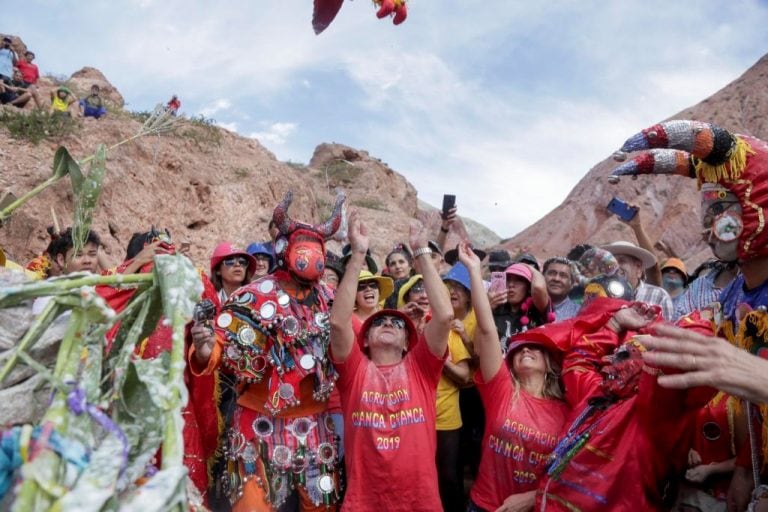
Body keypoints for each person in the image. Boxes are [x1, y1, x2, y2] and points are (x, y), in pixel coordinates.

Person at [611, 119, 768, 509]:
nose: (709, 227)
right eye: (707, 209)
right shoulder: (733, 294)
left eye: (722, 208)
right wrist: (747, 473)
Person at [190, 192, 346, 511]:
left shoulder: (332, 299)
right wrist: (206, 350)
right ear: (283, 248)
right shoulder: (254, 295)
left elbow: (350, 349)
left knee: (322, 507)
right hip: (257, 422)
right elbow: (217, 345)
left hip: (316, 422)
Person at [534, 299, 714, 511]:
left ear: (647, 368)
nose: (609, 359)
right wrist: (616, 324)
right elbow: (579, 360)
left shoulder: (653, 414)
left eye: (623, 355)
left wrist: (694, 323)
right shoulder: (597, 394)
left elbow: (693, 352)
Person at [329, 209, 452, 511]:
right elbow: (338, 323)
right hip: (364, 502)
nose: (388, 324)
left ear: (410, 342)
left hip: (419, 502)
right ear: (365, 340)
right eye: (379, 323)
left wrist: (422, 252)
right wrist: (358, 254)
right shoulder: (355, 370)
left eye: (398, 324)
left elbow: (445, 315)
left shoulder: (422, 368)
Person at [457, 241, 567, 512]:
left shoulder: (567, 406)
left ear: (550, 360)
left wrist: (535, 496)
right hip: (484, 504)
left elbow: (572, 467)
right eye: (518, 348)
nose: (525, 347)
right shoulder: (502, 388)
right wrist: (473, 269)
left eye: (535, 346)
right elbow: (484, 330)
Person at [438, 262, 474, 512]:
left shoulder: (467, 323)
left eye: (458, 287)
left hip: (459, 405)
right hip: (421, 413)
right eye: (448, 286)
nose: (452, 291)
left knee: (451, 472)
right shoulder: (425, 325)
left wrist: (442, 357)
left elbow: (466, 373)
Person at [601, 240, 674, 321]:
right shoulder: (600, 296)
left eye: (621, 261)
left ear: (638, 268)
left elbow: (669, 330)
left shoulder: (659, 296)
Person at [490, 262, 552, 353]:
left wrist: (526, 266)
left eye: (518, 280)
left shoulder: (537, 310)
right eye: (507, 280)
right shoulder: (495, 310)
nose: (511, 285)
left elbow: (538, 287)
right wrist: (487, 309)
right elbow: (479, 348)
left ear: (528, 287)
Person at [543, 257, 579, 321]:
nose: (556, 279)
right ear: (542, 276)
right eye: (552, 273)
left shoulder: (578, 313)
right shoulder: (527, 307)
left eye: (563, 276)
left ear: (572, 283)